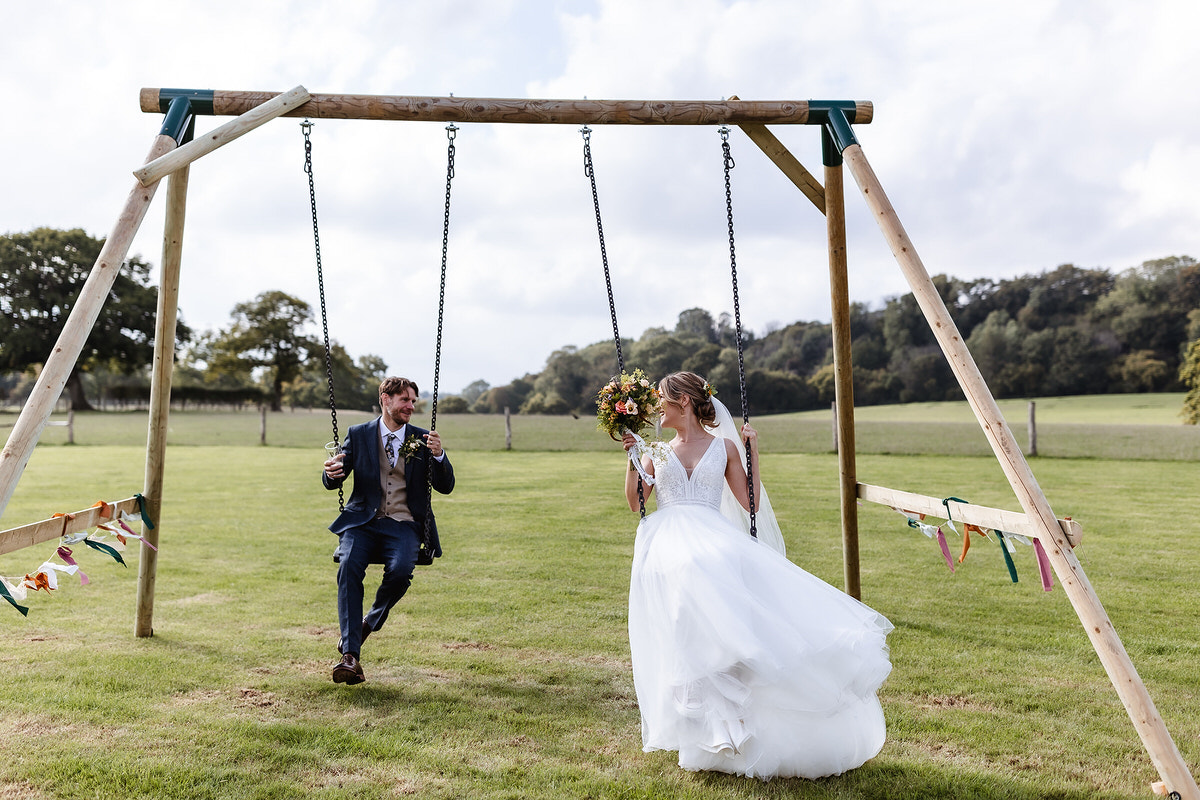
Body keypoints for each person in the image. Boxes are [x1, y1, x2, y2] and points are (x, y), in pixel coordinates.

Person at [618, 371, 892, 779]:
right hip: (670, 542)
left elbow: (749, 502)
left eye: (662, 399)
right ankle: (706, 731)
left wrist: (752, 451)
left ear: (685, 403)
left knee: (720, 625)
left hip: (710, 540)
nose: (656, 407)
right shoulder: (654, 450)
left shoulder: (724, 446)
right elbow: (634, 501)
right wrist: (631, 458)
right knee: (685, 623)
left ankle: (734, 723)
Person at [322, 376, 455, 685]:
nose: (411, 406)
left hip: (405, 523)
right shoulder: (359, 434)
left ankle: (369, 621)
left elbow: (445, 487)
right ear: (386, 399)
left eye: (413, 401)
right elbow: (335, 476)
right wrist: (330, 473)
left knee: (399, 572)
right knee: (349, 566)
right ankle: (350, 655)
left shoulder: (423, 439)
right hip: (362, 522)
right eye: (405, 400)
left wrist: (438, 455)